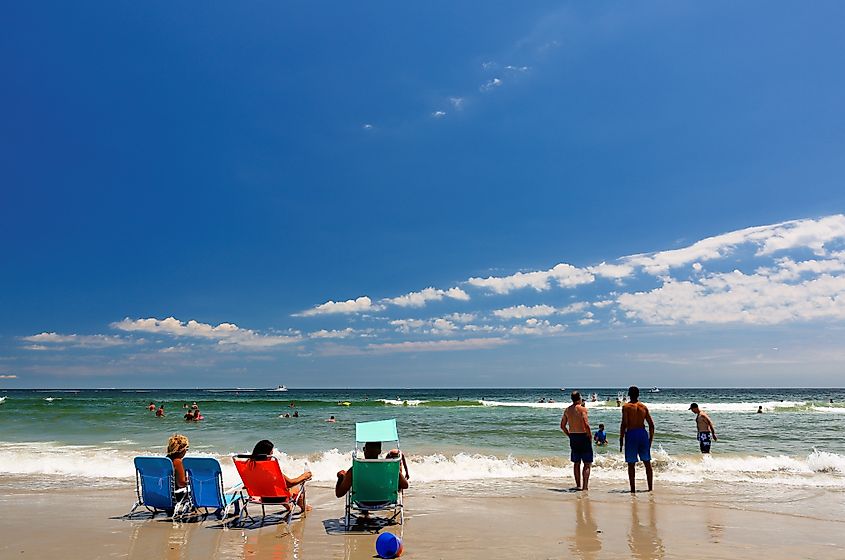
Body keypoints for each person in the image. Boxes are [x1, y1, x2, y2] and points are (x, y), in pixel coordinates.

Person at [248, 440, 312, 514]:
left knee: (276, 488)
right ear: (267, 454)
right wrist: (304, 476)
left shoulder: (249, 467)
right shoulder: (269, 469)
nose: (272, 454)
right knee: (295, 489)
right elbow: (291, 483)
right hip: (276, 498)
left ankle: (289, 507)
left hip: (258, 497)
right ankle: (304, 508)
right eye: (271, 453)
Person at [335, 441, 409, 498]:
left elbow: (339, 494)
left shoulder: (356, 470)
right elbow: (405, 485)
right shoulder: (389, 469)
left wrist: (341, 477)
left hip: (362, 502)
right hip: (385, 500)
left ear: (365, 450)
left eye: (364, 449)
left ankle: (365, 511)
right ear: (379, 451)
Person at [620, 386, 655, 493]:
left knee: (631, 464)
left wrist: (621, 438)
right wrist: (650, 439)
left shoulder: (626, 407)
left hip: (631, 434)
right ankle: (650, 488)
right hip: (642, 434)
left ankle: (633, 490)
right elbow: (651, 425)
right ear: (638, 394)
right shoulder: (643, 407)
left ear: (629, 394)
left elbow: (624, 423)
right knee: (647, 462)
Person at [561, 391, 593, 490]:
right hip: (583, 436)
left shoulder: (567, 410)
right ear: (579, 398)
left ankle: (578, 485)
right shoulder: (582, 409)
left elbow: (562, 426)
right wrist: (590, 435)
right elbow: (586, 424)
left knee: (576, 463)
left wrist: (569, 435)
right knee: (587, 463)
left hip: (573, 436)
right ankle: (585, 487)